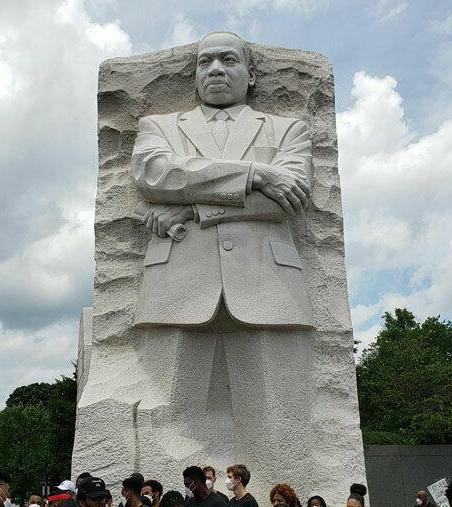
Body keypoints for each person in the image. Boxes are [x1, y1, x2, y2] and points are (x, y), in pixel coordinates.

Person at [129, 29, 315, 465]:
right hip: (177, 284)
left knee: (279, 425)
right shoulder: (158, 128)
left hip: (268, 285)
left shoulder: (288, 130)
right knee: (165, 423)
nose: (215, 69)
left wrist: (191, 209)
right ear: (194, 74)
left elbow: (288, 199)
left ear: (251, 74)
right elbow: (157, 175)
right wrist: (256, 172)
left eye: (228, 60)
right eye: (205, 61)